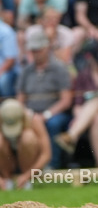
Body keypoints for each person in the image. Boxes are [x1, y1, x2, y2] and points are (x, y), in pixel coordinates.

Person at [16, 32, 73, 167]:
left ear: (46, 48)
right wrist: (27, 114)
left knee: (53, 124)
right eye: (32, 50)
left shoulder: (60, 68)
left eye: (38, 50)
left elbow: (66, 100)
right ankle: (25, 166)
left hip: (54, 113)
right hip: (30, 113)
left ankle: (52, 165)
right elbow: (20, 99)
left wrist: (46, 115)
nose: (35, 53)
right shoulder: (26, 71)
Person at [0, 98, 50, 190]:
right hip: (8, 163)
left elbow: (46, 154)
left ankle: (26, 182)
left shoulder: (34, 119)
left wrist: (27, 175)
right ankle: (7, 180)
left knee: (28, 137)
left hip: (31, 165)